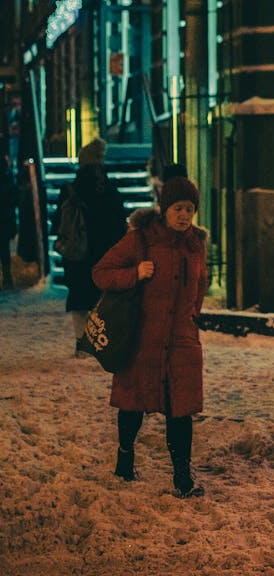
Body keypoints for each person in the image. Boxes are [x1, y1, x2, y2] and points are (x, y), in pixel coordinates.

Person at [92, 175, 208, 498]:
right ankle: (125, 457)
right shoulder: (140, 240)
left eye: (189, 209)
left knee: (180, 410)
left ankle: (182, 477)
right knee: (132, 404)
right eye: (178, 208)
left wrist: (191, 321)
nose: (184, 216)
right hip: (143, 341)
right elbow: (100, 273)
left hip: (182, 342)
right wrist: (134, 274)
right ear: (164, 208)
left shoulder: (196, 243)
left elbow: (200, 286)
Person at [51, 138, 127, 354]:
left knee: (79, 296)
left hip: (77, 253)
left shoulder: (71, 188)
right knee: (101, 297)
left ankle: (81, 342)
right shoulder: (108, 187)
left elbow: (58, 223)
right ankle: (100, 342)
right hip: (105, 251)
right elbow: (119, 219)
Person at [0, 154, 19, 289]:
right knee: (4, 250)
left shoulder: (8, 179)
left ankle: (7, 278)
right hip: (5, 219)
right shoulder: (8, 178)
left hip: (4, 219)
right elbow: (14, 199)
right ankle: (7, 278)